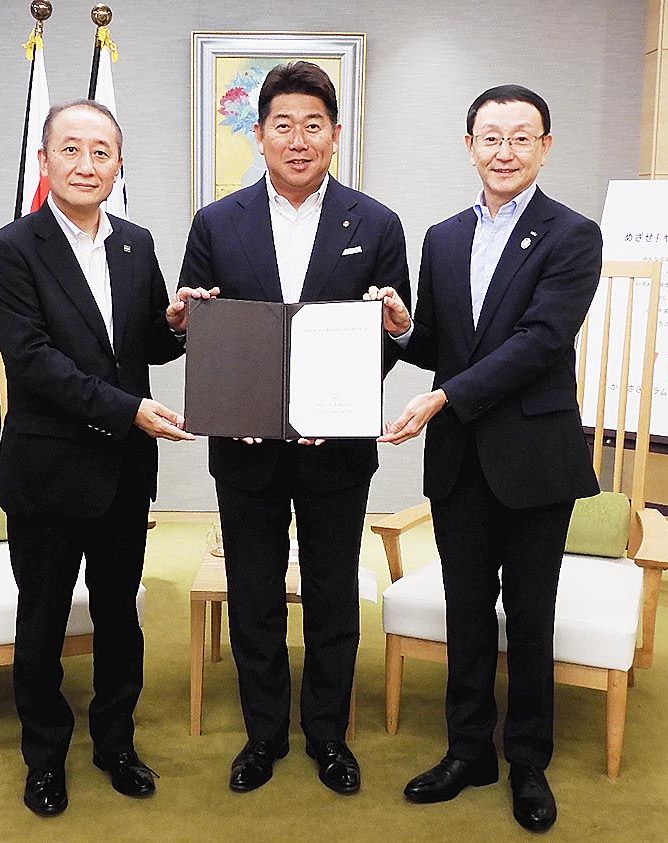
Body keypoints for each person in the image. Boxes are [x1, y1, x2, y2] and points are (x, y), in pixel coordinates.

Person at [369, 85, 602, 832]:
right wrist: (404, 330)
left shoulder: (573, 235)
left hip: (534, 457)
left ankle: (528, 759)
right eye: (491, 138)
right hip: (461, 459)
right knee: (466, 611)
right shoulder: (442, 238)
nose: (505, 152)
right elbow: (446, 345)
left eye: (521, 137)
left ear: (545, 147)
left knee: (531, 615)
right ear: (469, 146)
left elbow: (540, 342)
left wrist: (444, 397)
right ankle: (468, 750)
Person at [178, 61, 410, 795]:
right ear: (260, 134)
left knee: (333, 592)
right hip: (244, 448)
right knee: (253, 591)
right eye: (284, 125)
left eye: (314, 125)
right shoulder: (217, 222)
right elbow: (201, 325)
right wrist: (202, 344)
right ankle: (264, 734)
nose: (299, 139)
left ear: (335, 135)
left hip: (335, 449)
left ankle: (329, 735)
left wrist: (344, 393)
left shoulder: (376, 223)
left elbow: (388, 336)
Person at [0, 99, 210, 817]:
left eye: (101, 152)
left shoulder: (135, 243)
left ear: (118, 165)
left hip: (123, 473)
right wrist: (129, 410)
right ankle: (45, 757)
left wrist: (179, 323)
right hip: (48, 472)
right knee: (42, 622)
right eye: (71, 149)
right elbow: (34, 361)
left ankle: (116, 743)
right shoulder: (9, 249)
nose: (86, 164)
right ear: (44, 160)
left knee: (120, 617)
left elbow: (144, 345)